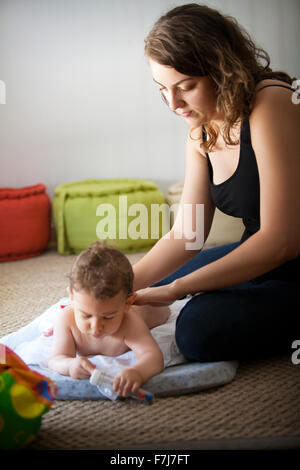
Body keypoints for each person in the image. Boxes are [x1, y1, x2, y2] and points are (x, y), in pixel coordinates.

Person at [132, 3, 300, 362]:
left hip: (290, 262)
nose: (173, 103)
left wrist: (179, 290)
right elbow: (188, 234)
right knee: (145, 286)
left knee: (196, 332)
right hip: (263, 259)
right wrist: (117, 285)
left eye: (186, 86)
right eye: (162, 88)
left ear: (222, 70)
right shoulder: (200, 132)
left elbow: (282, 242)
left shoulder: (272, 103)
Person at [48, 241, 169, 397]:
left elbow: (153, 357)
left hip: (155, 308)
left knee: (162, 294)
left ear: (127, 304)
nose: (96, 326)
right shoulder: (67, 320)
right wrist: (70, 365)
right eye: (86, 315)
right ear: (71, 296)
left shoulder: (130, 323)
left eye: (108, 317)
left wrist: (138, 372)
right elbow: (56, 359)